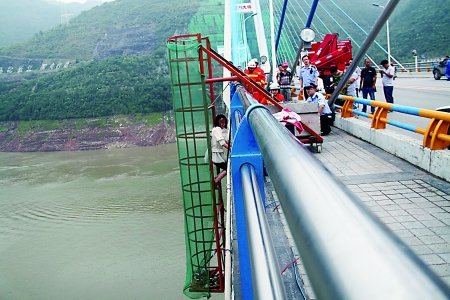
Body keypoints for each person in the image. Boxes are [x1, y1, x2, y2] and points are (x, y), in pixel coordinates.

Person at [210, 114, 229, 184]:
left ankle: (216, 178)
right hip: (217, 156)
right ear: (217, 122)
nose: (222, 124)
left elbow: (226, 140)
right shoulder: (217, 129)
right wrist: (231, 148)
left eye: (224, 122)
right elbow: (222, 142)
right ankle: (216, 181)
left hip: (219, 155)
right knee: (228, 168)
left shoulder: (221, 130)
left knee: (227, 167)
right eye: (221, 122)